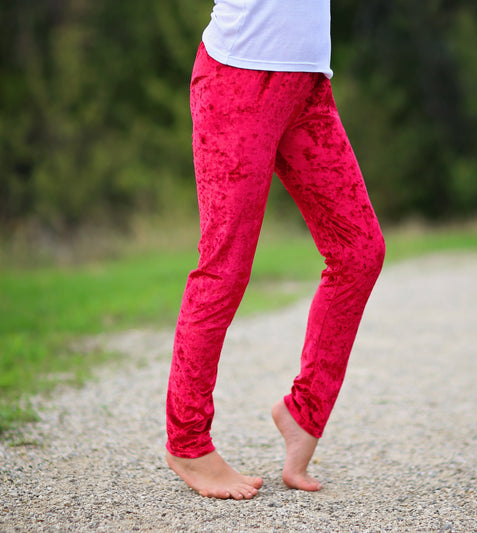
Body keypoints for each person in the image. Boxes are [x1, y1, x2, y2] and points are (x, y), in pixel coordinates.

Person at [166, 0, 386, 500]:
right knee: (225, 269)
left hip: (308, 85)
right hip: (238, 79)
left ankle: (304, 412)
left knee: (360, 251)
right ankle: (187, 442)